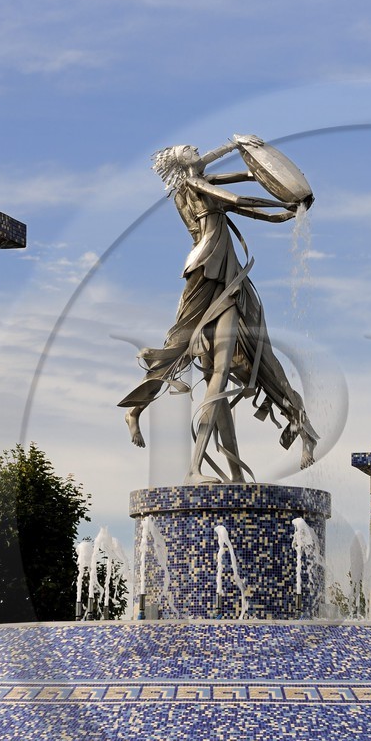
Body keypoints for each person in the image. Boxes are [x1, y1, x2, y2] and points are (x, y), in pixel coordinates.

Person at [120, 137, 318, 483]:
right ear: (183, 164)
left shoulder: (204, 180)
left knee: (260, 360)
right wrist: (280, 208)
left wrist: (277, 196)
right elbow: (238, 200)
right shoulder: (192, 185)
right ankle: (138, 412)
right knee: (180, 346)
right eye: (190, 151)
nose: (198, 150)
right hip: (206, 272)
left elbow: (246, 177)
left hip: (228, 279)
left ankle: (301, 431)